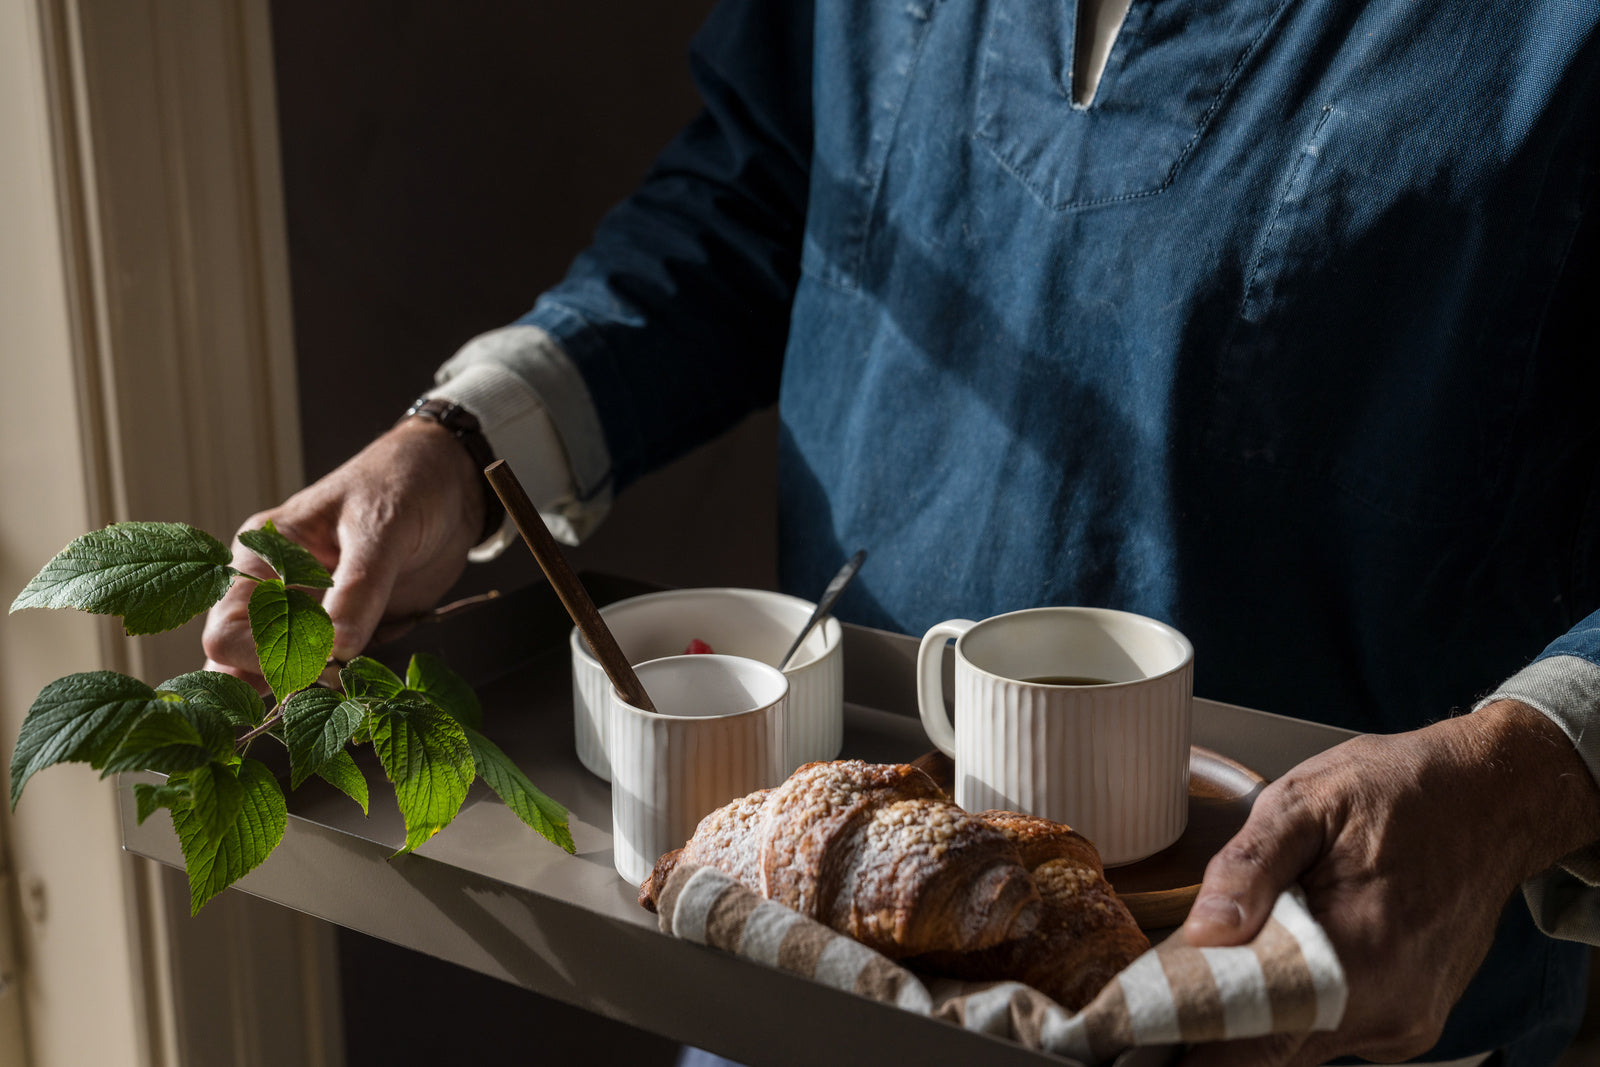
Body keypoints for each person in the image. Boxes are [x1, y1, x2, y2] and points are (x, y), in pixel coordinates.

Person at [203, 1, 1600, 1063]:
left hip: (1316, 1008)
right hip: (811, 966)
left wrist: (1523, 775)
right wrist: (461, 449)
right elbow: (760, 188)